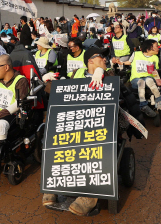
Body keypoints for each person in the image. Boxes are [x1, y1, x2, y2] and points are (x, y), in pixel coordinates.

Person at [44, 45, 142, 215]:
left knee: (95, 143)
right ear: (90, 60)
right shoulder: (76, 74)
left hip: (105, 123)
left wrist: (101, 73)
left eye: (105, 57)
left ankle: (89, 196)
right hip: (79, 123)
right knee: (55, 136)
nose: (105, 59)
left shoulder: (110, 74)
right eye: (100, 57)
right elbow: (61, 95)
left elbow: (116, 90)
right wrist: (48, 82)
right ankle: (54, 185)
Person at [128, 40, 161, 117]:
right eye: (156, 46)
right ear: (149, 48)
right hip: (136, 79)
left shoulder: (155, 58)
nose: (158, 48)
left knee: (148, 80)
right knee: (141, 82)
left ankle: (159, 100)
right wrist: (120, 63)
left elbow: (155, 72)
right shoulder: (136, 54)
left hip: (149, 79)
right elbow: (129, 62)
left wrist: (158, 80)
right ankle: (143, 105)